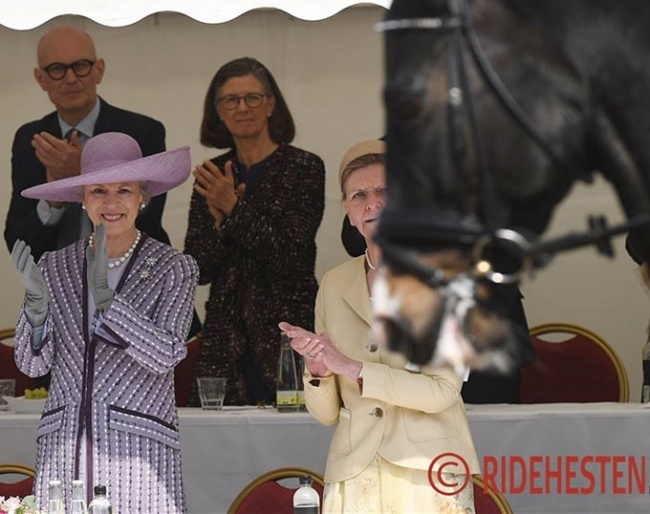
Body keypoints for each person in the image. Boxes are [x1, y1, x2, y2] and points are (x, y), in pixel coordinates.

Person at [280, 140, 479, 513]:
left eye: (383, 191)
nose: (371, 203)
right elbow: (325, 415)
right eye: (359, 195)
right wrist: (319, 371)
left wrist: (353, 368)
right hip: (354, 471)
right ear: (348, 212)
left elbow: (441, 392)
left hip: (427, 473)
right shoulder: (334, 283)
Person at [4, 25, 202, 390]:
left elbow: (147, 217)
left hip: (141, 296)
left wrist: (80, 171)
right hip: (64, 304)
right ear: (40, 78)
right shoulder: (31, 138)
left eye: (80, 65)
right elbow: (18, 236)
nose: (70, 77)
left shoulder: (142, 128)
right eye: (56, 69)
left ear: (99, 69)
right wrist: (58, 192)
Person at [11, 132, 198, 514]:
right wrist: (37, 312)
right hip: (64, 451)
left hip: (138, 454)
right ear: (82, 199)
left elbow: (166, 354)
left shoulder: (174, 268)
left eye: (124, 191)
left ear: (143, 198)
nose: (111, 203)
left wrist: (110, 304)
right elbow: (32, 365)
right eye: (98, 191)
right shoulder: (53, 266)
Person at [184, 57, 325, 406]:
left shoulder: (303, 167)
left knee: (293, 447)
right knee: (221, 448)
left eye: (253, 97)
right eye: (230, 100)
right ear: (218, 110)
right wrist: (220, 226)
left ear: (271, 104)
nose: (242, 108)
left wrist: (232, 209)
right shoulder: (212, 175)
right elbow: (197, 269)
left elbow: (289, 253)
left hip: (287, 334)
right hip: (225, 337)